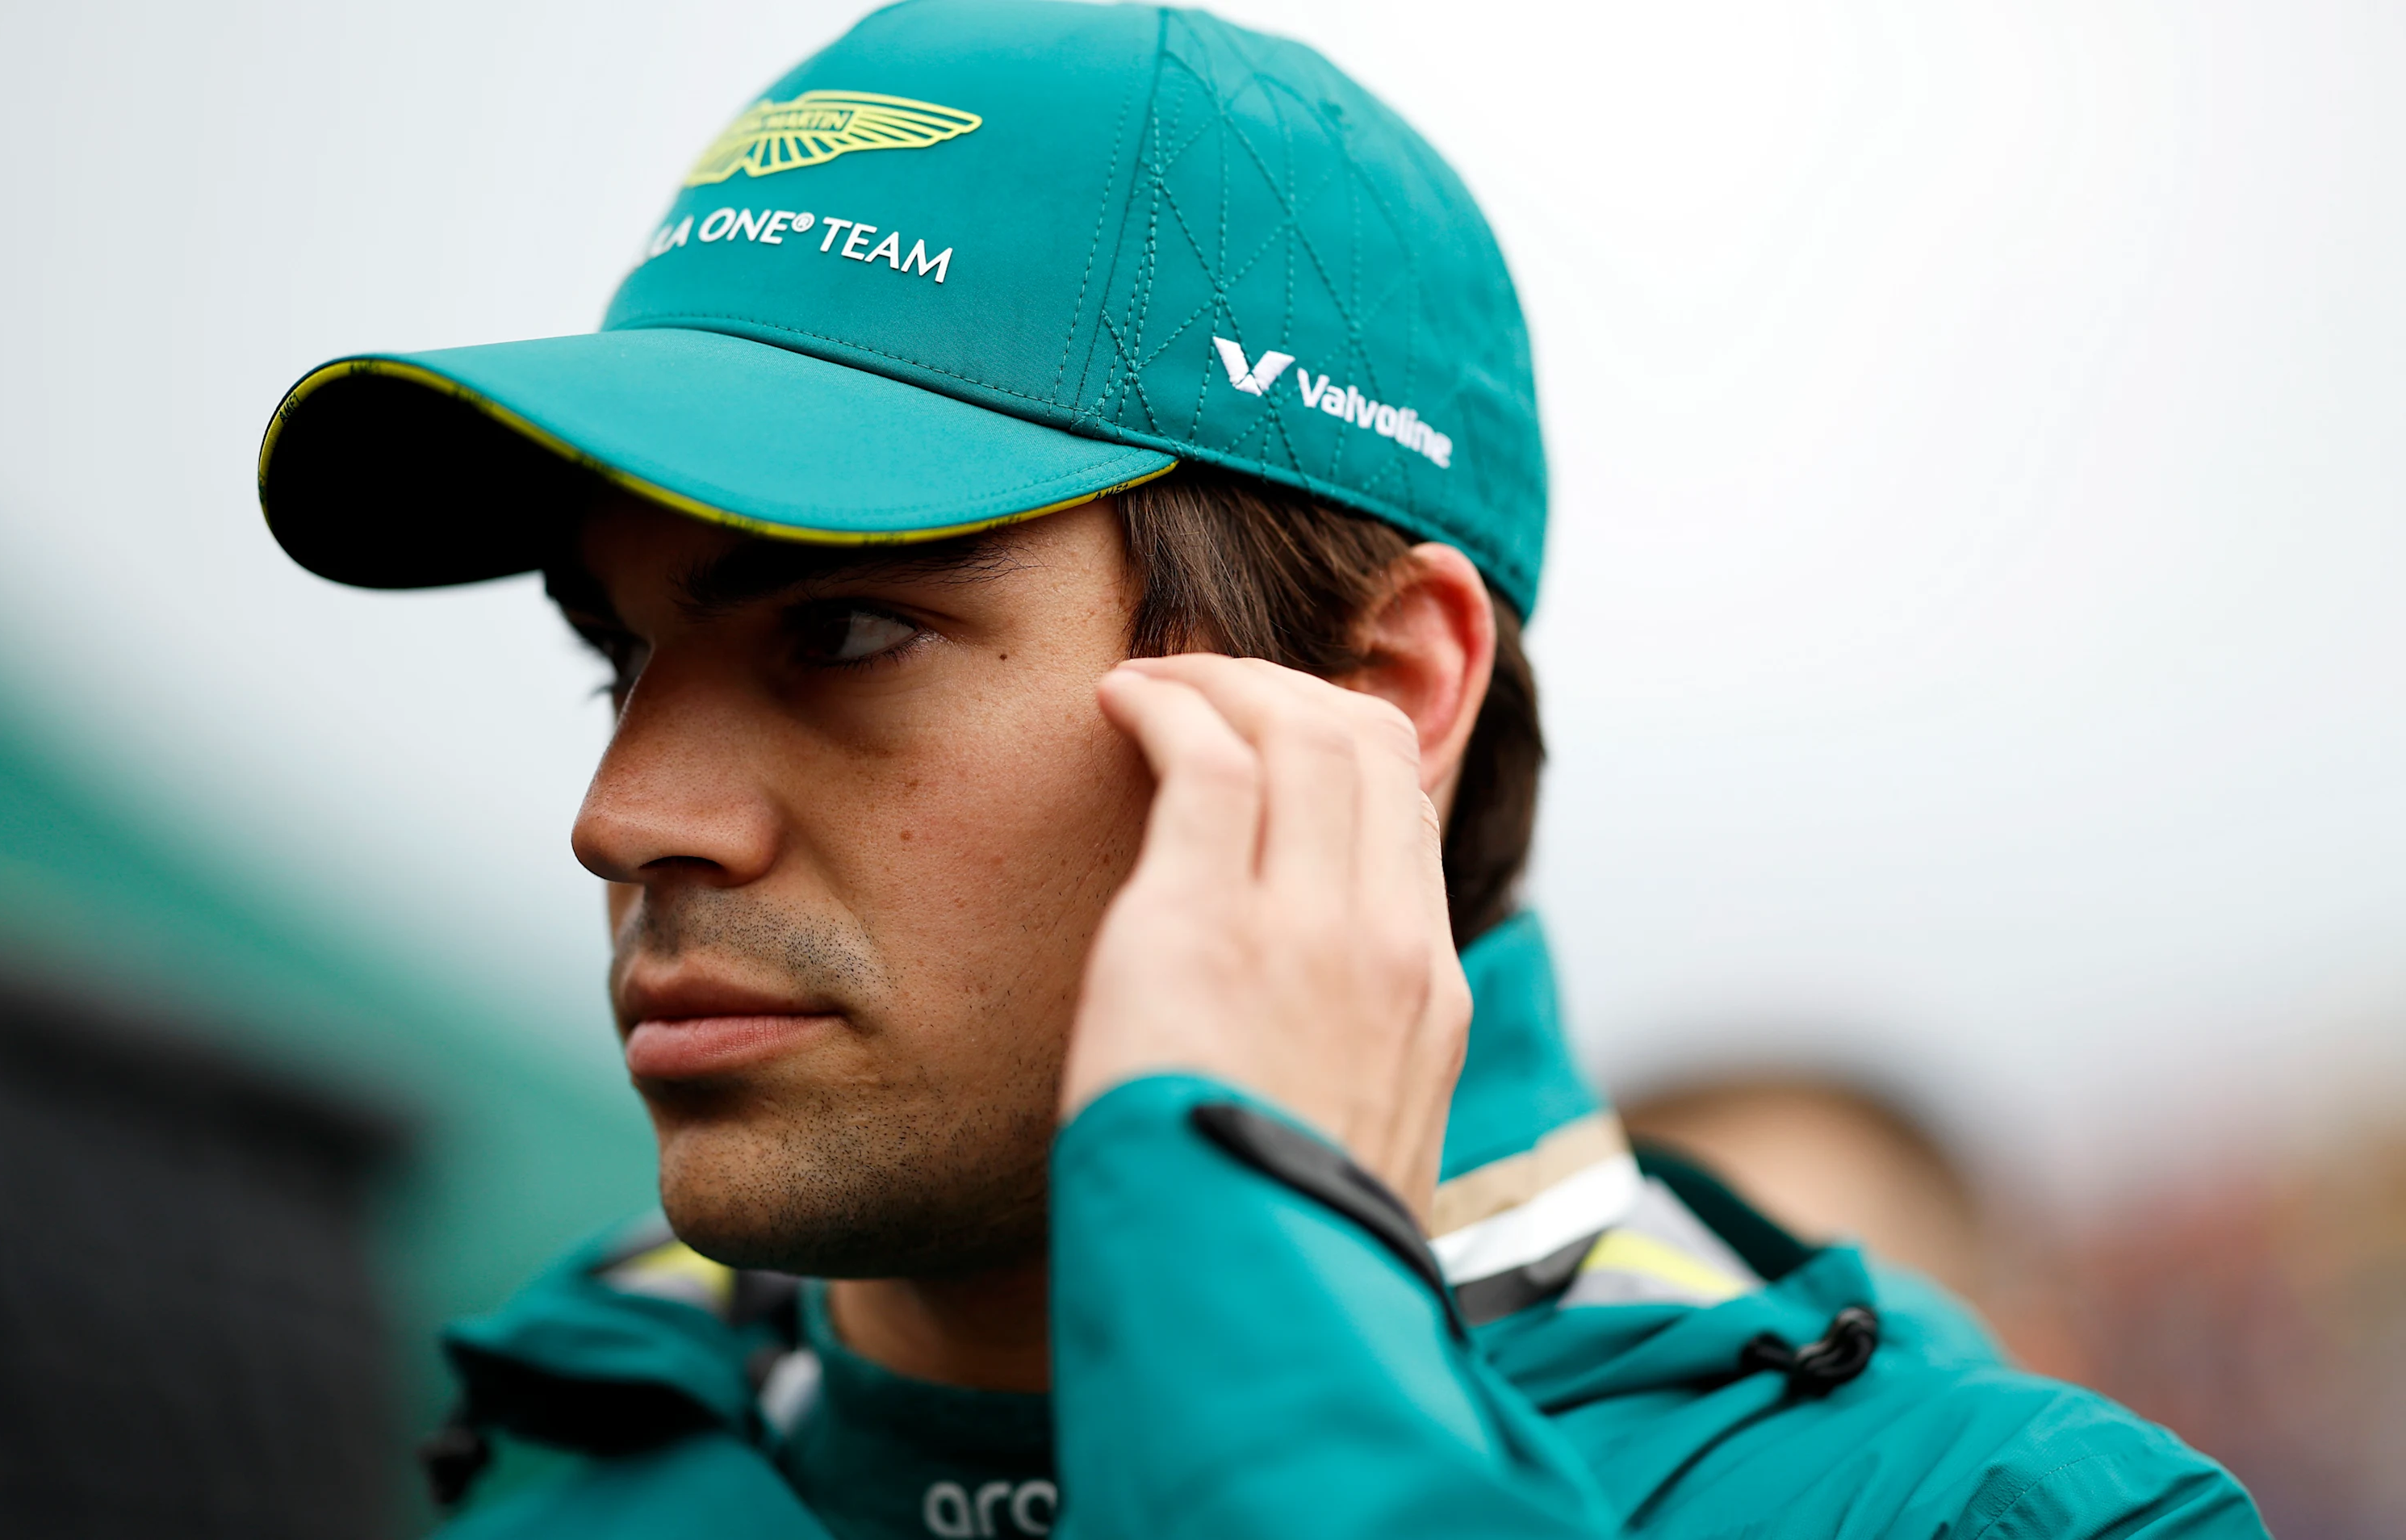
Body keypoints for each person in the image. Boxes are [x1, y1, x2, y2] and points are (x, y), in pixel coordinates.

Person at [255, 3, 2265, 1535]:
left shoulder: (1993, 1511)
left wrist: (1253, 1334)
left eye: (843, 629)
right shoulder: (552, 1424)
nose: (625, 817)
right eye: (619, 656)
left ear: (1383, 692)